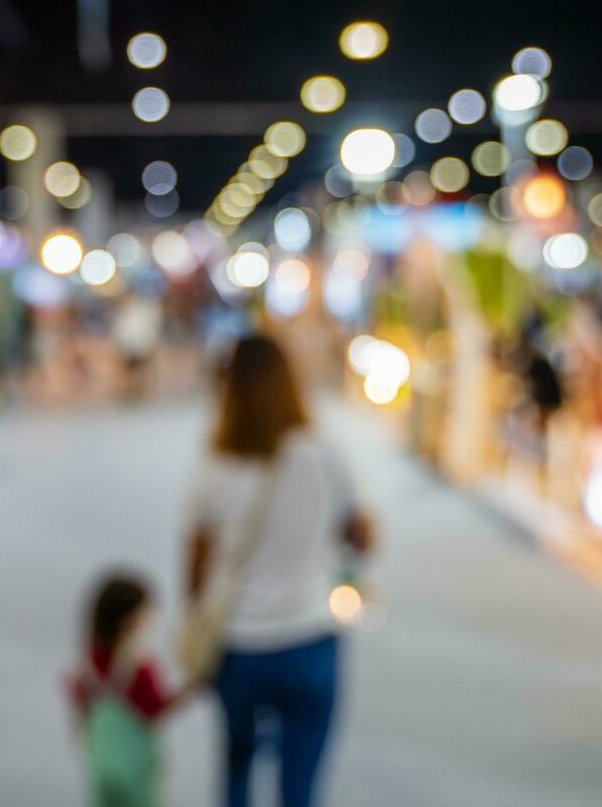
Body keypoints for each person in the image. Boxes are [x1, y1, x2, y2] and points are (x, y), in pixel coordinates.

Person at [185, 335, 374, 807]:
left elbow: (197, 563)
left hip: (239, 643)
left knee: (236, 767)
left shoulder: (215, 465)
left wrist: (197, 617)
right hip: (310, 637)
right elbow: (362, 535)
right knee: (300, 787)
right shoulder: (323, 454)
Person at [70, 573, 188, 807]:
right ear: (129, 618)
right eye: (146, 612)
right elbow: (155, 709)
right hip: (135, 768)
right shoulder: (137, 666)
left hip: (100, 765)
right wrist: (193, 686)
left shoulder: (89, 663)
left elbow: (80, 704)